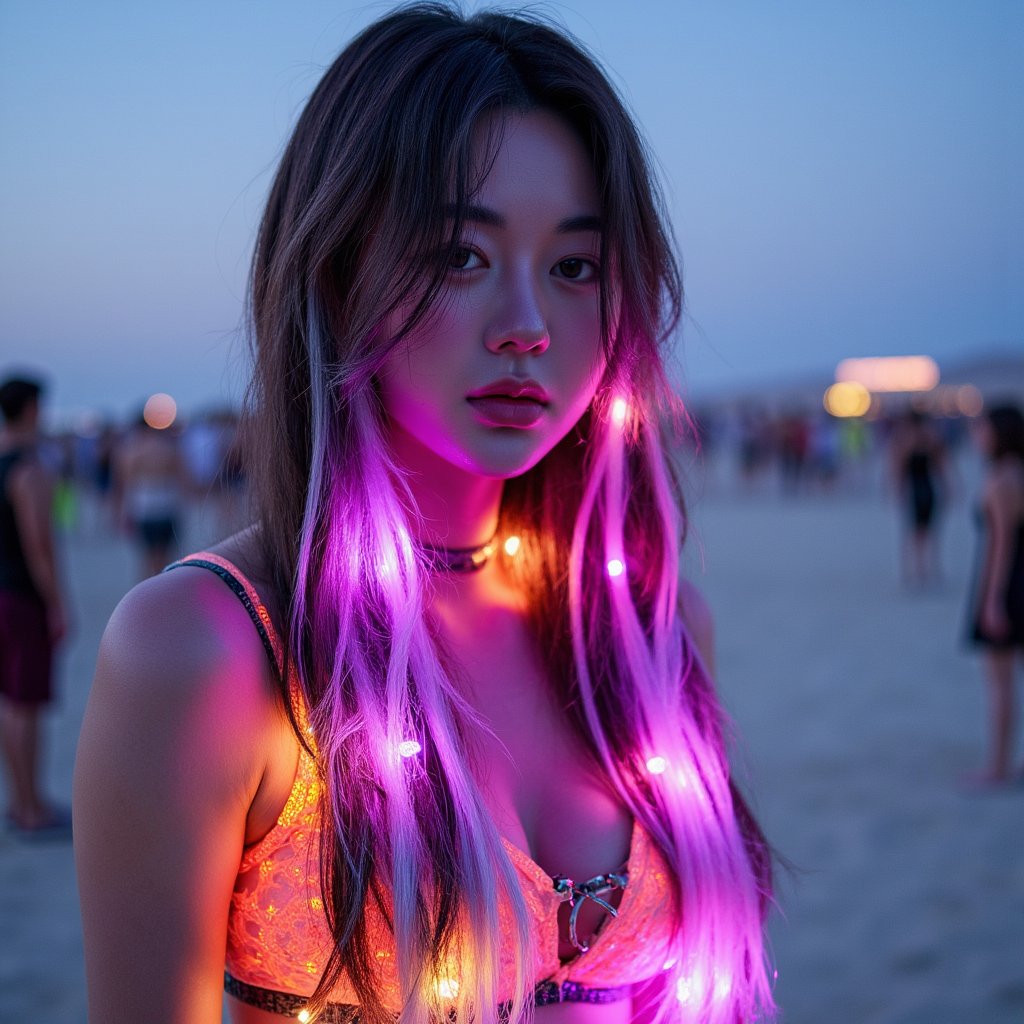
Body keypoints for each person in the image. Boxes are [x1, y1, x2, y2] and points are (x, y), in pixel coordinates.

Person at [74, 7, 775, 1023]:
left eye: (574, 266)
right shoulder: (209, 649)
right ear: (335, 269)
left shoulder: (650, 632)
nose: (528, 328)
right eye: (459, 256)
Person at [0, 374, 71, 836]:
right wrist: (56, 604)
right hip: (23, 597)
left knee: (10, 700)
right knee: (25, 702)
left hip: (3, 593)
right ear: (31, 410)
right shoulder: (30, 470)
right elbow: (39, 545)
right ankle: (31, 809)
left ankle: (23, 801)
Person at [966, 403, 1024, 785]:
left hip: (1008, 584)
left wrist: (991, 600)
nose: (977, 435)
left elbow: (1000, 547)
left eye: (982, 429)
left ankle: (999, 767)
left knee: (1000, 682)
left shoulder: (1001, 481)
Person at [112, 412, 190, 579]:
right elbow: (184, 479)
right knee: (167, 558)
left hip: (144, 508)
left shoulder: (132, 451)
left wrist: (119, 513)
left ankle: (147, 597)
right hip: (168, 506)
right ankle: (164, 593)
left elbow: (123, 484)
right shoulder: (169, 448)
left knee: (147, 559)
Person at [889, 408, 949, 587]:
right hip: (919, 487)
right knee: (919, 531)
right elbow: (899, 466)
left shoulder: (927, 439)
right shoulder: (915, 439)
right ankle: (918, 569)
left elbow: (940, 464)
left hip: (921, 487)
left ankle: (923, 568)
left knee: (924, 530)